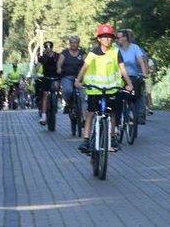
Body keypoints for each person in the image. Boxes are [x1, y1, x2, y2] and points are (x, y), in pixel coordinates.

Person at [76, 24, 134, 154]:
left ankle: (112, 137)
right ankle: (86, 139)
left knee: (113, 112)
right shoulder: (93, 53)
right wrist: (78, 80)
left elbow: (122, 69)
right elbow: (85, 67)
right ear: (99, 39)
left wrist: (129, 84)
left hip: (111, 88)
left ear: (113, 39)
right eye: (104, 37)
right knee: (91, 113)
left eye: (109, 37)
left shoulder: (116, 51)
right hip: (94, 89)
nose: (107, 39)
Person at [115, 29, 149, 124]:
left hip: (132, 75)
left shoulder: (135, 48)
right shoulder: (115, 48)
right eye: (116, 38)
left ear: (125, 38)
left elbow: (141, 60)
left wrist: (144, 73)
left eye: (118, 38)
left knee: (138, 94)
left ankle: (141, 116)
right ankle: (119, 118)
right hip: (119, 77)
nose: (116, 40)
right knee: (117, 96)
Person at [56, 35, 86, 116]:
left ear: (78, 44)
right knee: (67, 90)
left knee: (84, 97)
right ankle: (68, 103)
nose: (73, 44)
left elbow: (86, 64)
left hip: (80, 78)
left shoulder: (82, 53)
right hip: (67, 76)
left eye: (75, 43)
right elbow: (59, 63)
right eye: (71, 43)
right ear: (69, 43)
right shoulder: (64, 53)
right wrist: (59, 68)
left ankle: (84, 117)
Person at [37, 41, 60, 125]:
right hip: (46, 78)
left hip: (56, 77)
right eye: (46, 47)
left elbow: (61, 65)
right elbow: (37, 67)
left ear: (52, 47)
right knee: (45, 95)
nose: (48, 49)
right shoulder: (43, 58)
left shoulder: (57, 56)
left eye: (49, 47)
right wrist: (34, 74)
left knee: (57, 87)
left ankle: (59, 101)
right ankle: (43, 116)